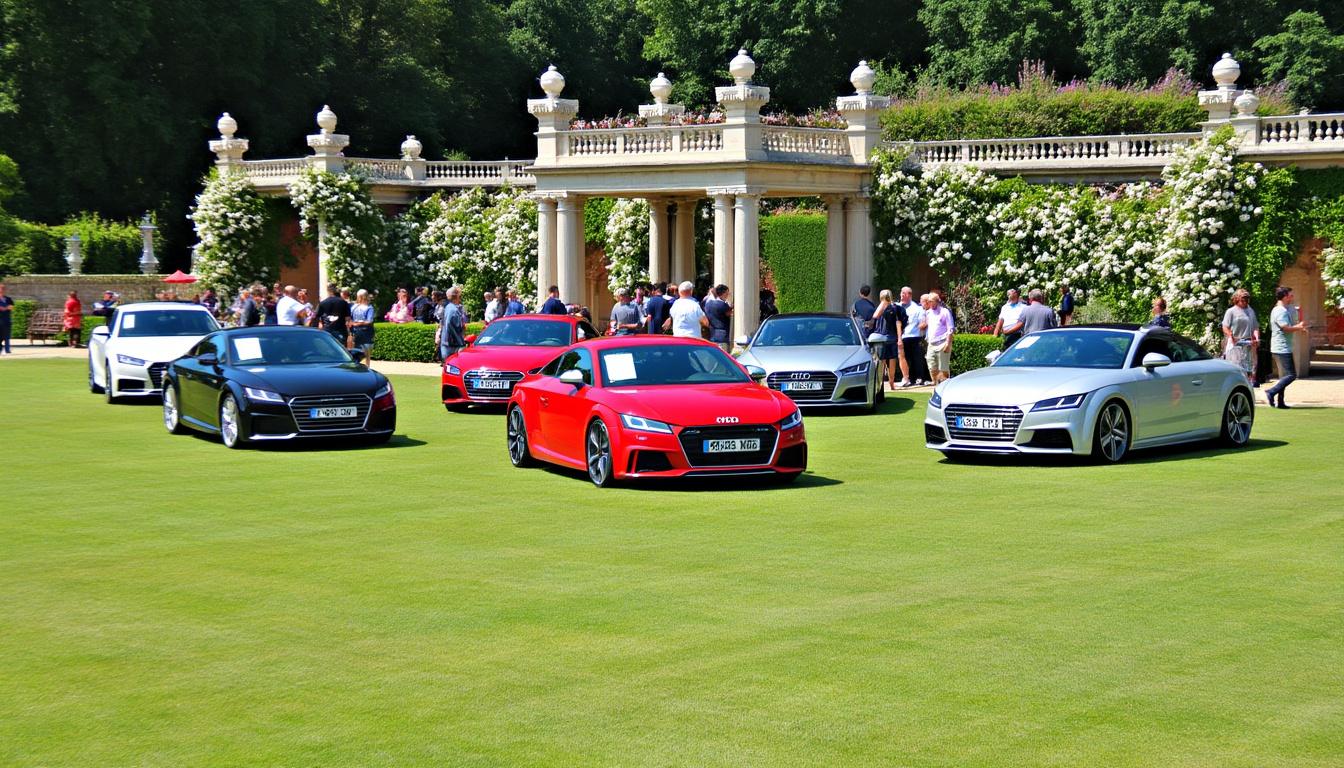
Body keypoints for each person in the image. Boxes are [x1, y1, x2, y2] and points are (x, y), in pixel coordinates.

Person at [1264, 286, 1308, 409]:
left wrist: (1299, 325)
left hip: (1283, 347)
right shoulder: (1280, 311)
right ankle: (1271, 392)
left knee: (1284, 376)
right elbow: (1285, 328)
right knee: (1291, 375)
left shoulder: (1284, 309)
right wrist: (1299, 327)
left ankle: (1281, 402)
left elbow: (1290, 323)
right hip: (1281, 347)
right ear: (1284, 296)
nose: (1292, 297)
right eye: (1290, 295)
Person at [1221, 288, 1260, 386]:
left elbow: (1255, 327)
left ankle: (1249, 386)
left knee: (1250, 368)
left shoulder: (1250, 311)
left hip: (1249, 342)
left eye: (1247, 300)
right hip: (1236, 343)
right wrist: (1231, 335)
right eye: (1243, 300)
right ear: (1236, 299)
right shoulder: (1231, 311)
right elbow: (1225, 327)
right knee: (1236, 367)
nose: (1245, 302)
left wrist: (1256, 338)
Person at [873, 289, 906, 390]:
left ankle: (891, 382)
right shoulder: (882, 307)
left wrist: (899, 339)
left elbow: (898, 324)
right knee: (881, 361)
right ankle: (881, 383)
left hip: (891, 338)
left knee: (891, 361)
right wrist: (883, 303)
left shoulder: (895, 308)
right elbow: (875, 316)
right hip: (881, 339)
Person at [921, 292, 955, 385]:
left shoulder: (945, 312)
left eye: (931, 301)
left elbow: (950, 328)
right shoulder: (928, 313)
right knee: (932, 367)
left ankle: (944, 387)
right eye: (928, 301)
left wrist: (948, 343)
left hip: (942, 342)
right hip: (931, 344)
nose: (929, 303)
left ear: (937, 301)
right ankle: (936, 385)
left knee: (943, 368)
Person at [898, 286, 926, 387]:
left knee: (917, 358)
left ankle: (919, 377)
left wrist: (920, 326)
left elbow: (922, 322)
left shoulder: (917, 308)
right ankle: (907, 378)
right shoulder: (897, 306)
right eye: (901, 294)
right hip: (902, 337)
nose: (901, 296)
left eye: (904, 294)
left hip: (914, 336)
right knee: (905, 358)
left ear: (909, 295)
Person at [438, 286, 467, 361]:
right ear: (457, 296)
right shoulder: (453, 310)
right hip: (453, 346)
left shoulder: (448, 307)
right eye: (460, 295)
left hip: (447, 343)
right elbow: (449, 325)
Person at [350, 289, 377, 361]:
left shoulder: (369, 307)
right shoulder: (354, 307)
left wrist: (357, 323)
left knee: (366, 352)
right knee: (356, 351)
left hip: (365, 331)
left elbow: (369, 321)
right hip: (356, 332)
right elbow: (350, 318)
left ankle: (366, 367)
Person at [704, 284, 733, 350]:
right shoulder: (723, 305)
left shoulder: (708, 304)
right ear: (724, 293)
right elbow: (729, 313)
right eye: (727, 293)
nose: (728, 295)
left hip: (712, 334)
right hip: (722, 336)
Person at [0, 283, 13, 354]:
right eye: (0, 288)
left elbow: (11, 307)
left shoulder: (8, 299)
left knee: (7, 336)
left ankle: (7, 350)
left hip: (7, 320)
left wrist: (4, 308)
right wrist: (6, 308)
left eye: (3, 288)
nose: (1, 290)